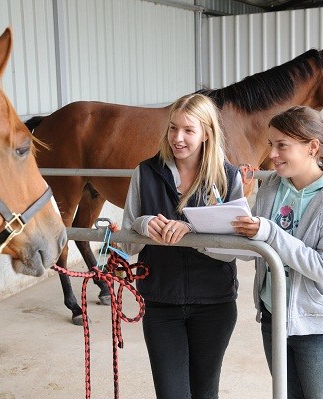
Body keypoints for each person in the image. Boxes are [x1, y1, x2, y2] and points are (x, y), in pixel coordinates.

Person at [232, 105, 323, 399]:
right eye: (271, 145)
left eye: (282, 146)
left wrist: (268, 232)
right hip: (273, 316)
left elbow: (322, 266)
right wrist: (208, 232)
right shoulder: (271, 187)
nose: (272, 155)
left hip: (319, 329)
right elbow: (255, 249)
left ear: (312, 147)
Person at [121, 93, 244, 399]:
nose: (178, 138)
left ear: (207, 134)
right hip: (161, 301)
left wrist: (194, 231)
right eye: (173, 128)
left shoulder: (228, 177)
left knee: (205, 393)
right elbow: (127, 242)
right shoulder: (145, 173)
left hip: (214, 302)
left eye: (189, 130)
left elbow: (239, 248)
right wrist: (142, 224)